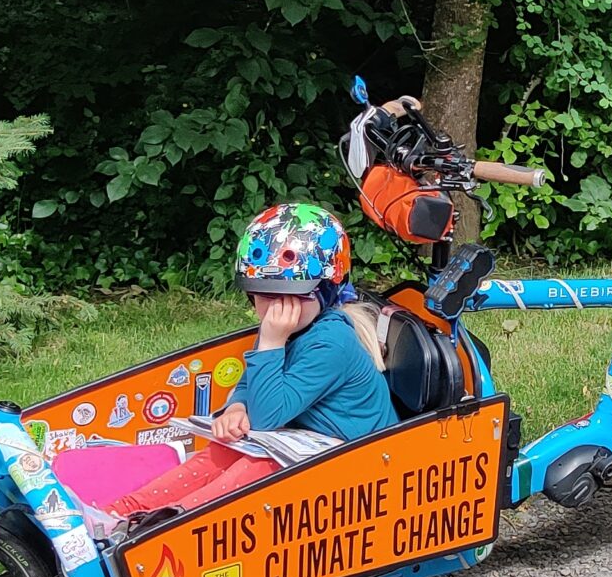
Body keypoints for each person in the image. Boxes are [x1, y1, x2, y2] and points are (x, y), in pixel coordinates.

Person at [110, 203, 399, 516]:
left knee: (262, 465)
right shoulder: (290, 326)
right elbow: (251, 380)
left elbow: (267, 417)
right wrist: (236, 406)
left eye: (294, 295)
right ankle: (129, 509)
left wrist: (273, 342)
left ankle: (172, 520)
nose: (278, 308)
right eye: (266, 294)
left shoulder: (331, 342)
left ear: (325, 291)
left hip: (366, 475)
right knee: (225, 448)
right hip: (312, 445)